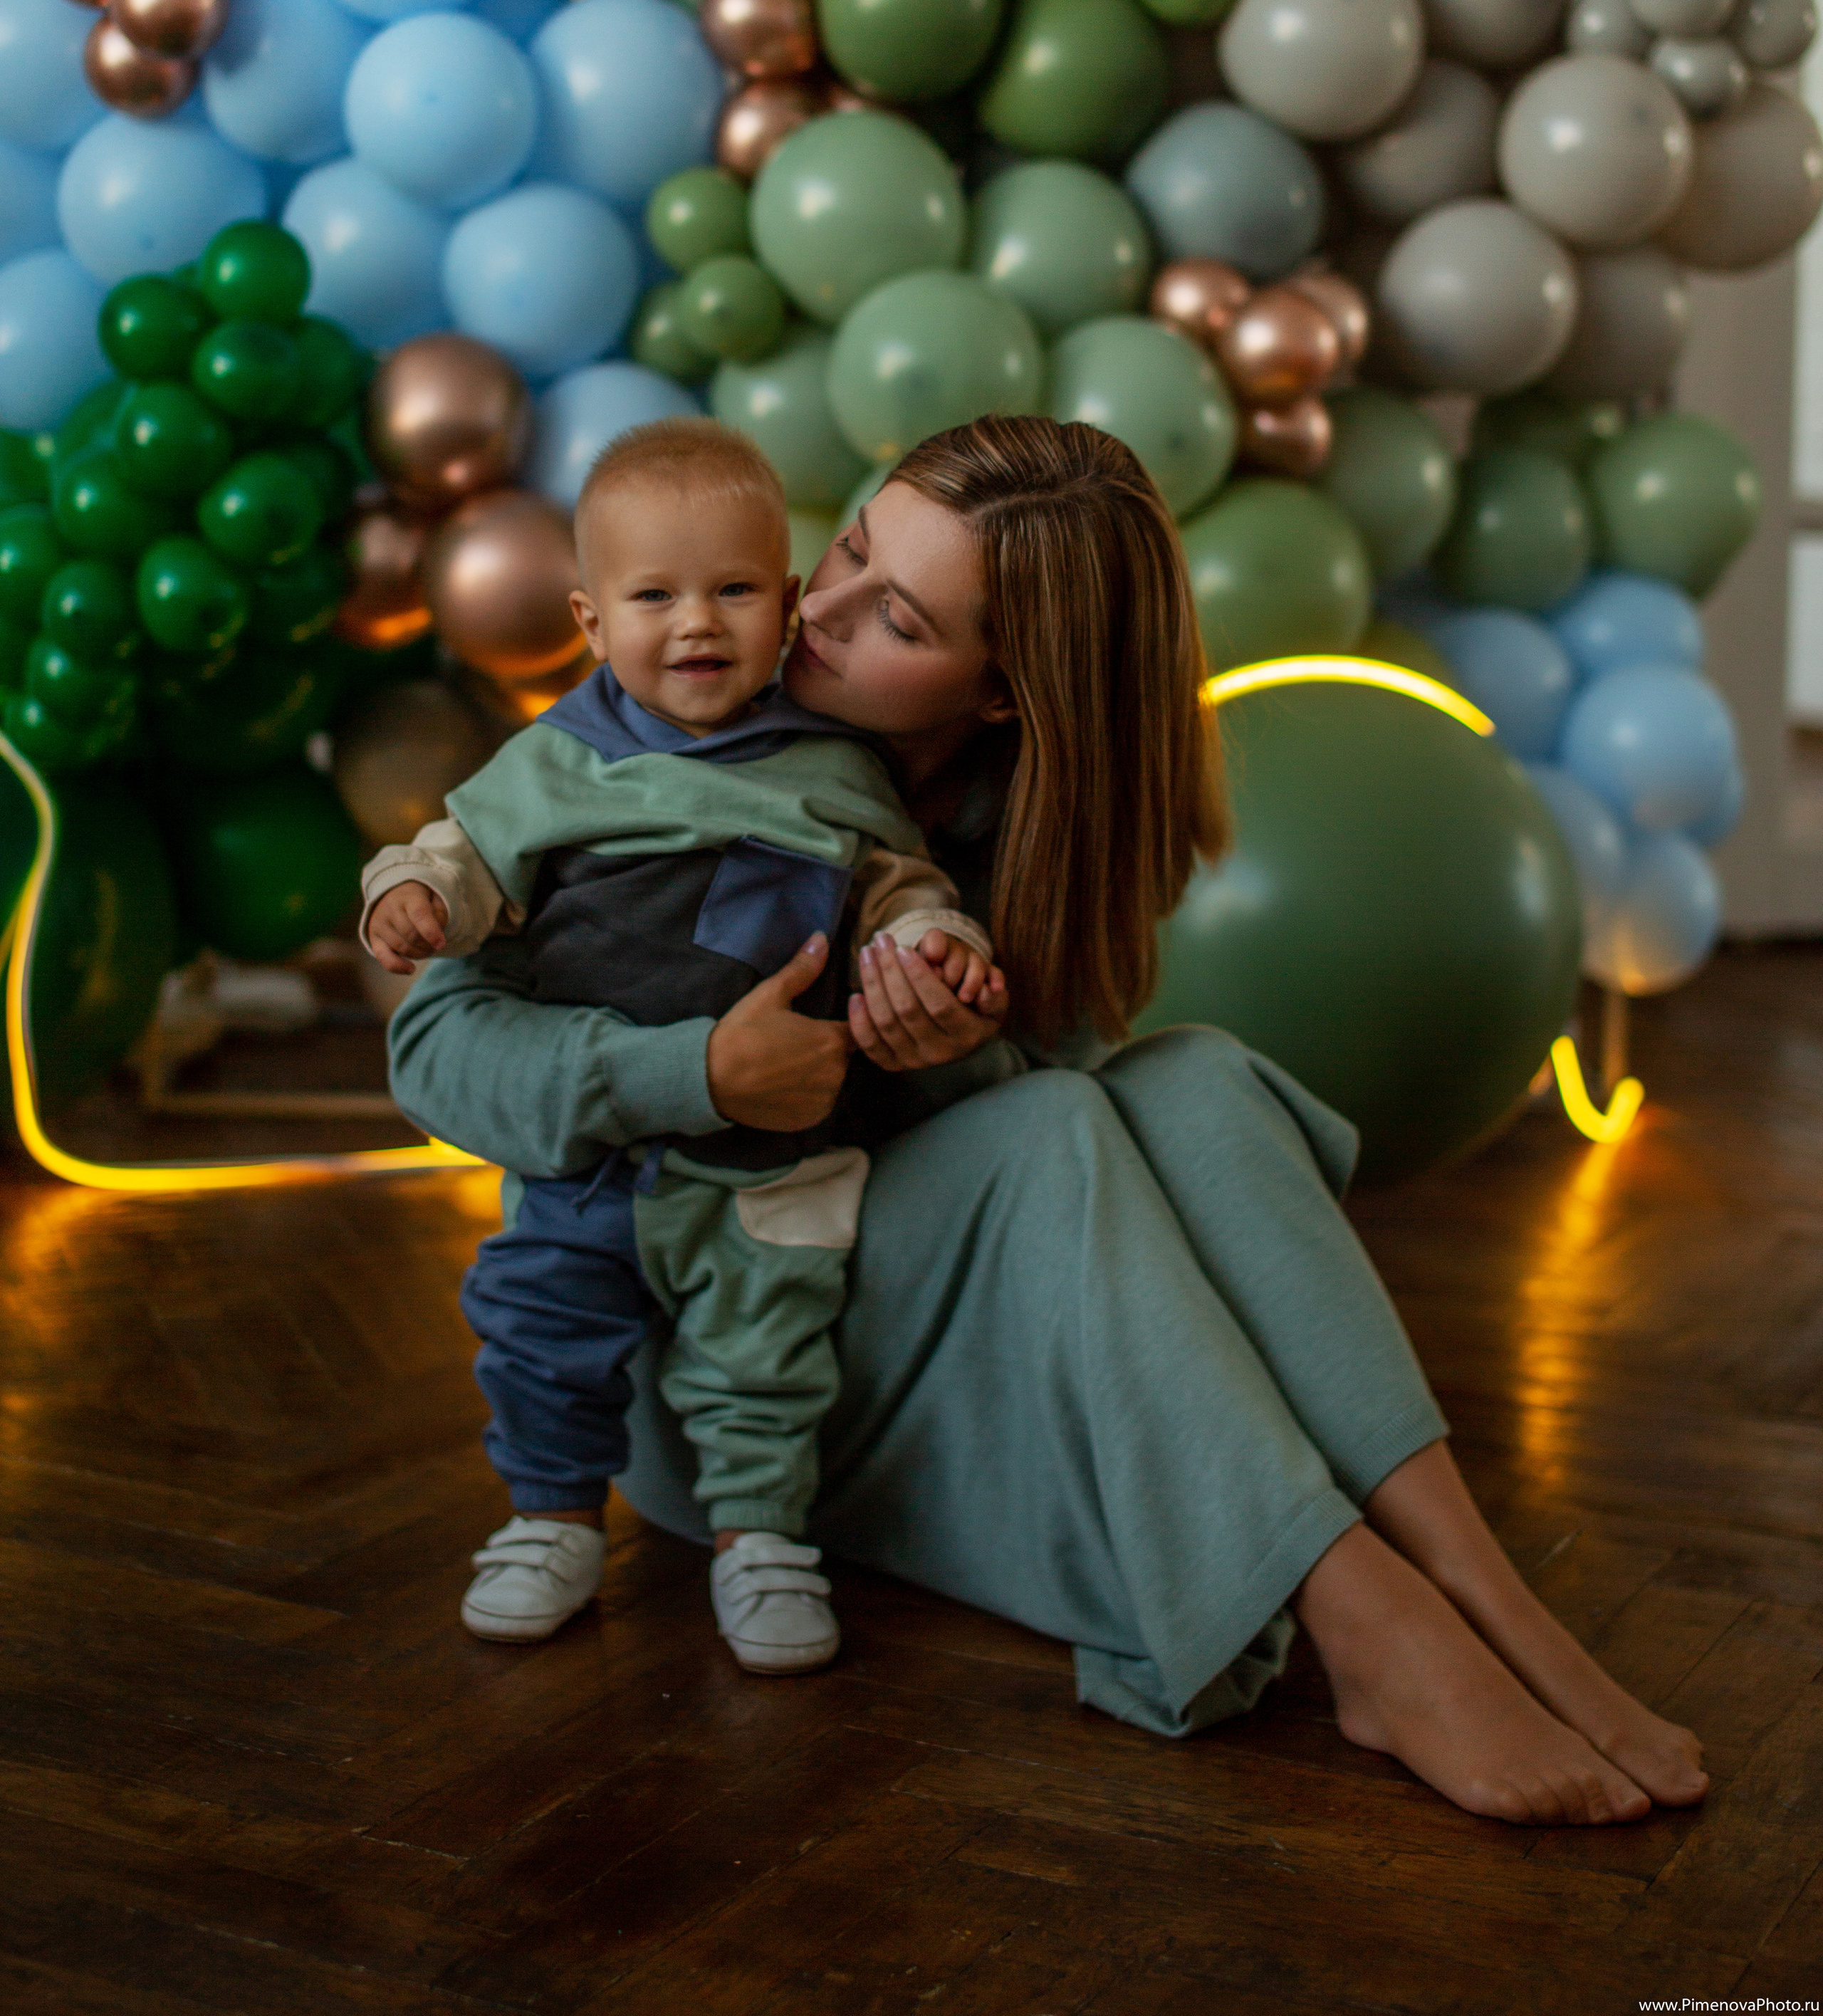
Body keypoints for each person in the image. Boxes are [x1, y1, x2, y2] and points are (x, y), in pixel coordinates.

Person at [389, 414, 1710, 1828]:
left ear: (1006, 694)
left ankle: (1471, 1585)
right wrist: (696, 1075)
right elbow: (434, 1047)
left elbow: (1033, 1228)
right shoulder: (629, 740)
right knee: (1057, 1131)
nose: (811, 614)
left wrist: (952, 1051)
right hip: (706, 1364)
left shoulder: (1024, 827)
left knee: (1187, 1076)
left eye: (892, 613)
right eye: (843, 548)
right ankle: (1360, 1612)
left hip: (881, 1325)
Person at [363, 417, 993, 1671]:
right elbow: (460, 851)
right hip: (597, 1152)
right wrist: (412, 894)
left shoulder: (832, 771)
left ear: (790, 603)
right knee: (541, 1322)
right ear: (593, 625)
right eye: (656, 596)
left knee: (769, 1353)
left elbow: (892, 887)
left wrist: (933, 942)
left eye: (735, 590)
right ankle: (549, 1518)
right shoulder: (556, 763)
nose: (697, 623)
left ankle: (763, 1540)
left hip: (774, 1164)